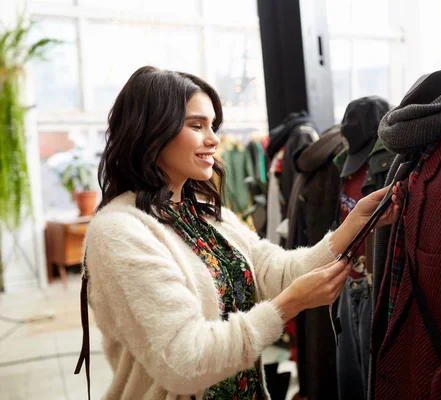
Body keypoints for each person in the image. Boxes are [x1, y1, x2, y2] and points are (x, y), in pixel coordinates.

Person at [82, 66, 402, 400]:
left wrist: (355, 224)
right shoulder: (119, 232)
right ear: (152, 133)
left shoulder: (201, 210)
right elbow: (183, 363)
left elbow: (272, 270)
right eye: (197, 125)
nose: (214, 139)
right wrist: (287, 306)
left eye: (213, 126)